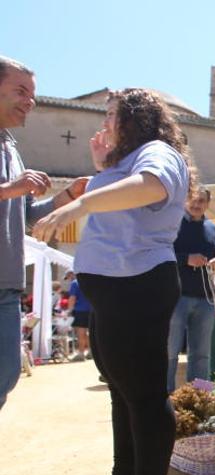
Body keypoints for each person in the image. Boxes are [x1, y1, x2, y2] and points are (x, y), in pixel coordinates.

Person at [33, 88, 195, 475]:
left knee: (143, 394)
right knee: (121, 389)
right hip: (114, 291)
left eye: (110, 115)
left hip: (137, 286)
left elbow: (152, 185)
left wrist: (79, 205)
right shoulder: (126, 161)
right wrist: (103, 167)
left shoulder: (158, 151)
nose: (104, 124)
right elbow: (123, 202)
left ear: (136, 119)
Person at [0, 56, 88, 415]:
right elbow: (9, 195)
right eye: (21, 91)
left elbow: (24, 217)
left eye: (32, 94)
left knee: (6, 375)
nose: (29, 101)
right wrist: (9, 189)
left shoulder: (12, 149)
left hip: (7, 284)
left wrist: (68, 197)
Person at [167, 186, 215, 392]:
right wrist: (186, 259)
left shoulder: (213, 229)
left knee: (202, 354)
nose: (197, 204)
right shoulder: (172, 224)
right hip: (175, 296)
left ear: (208, 204)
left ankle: (200, 399)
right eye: (193, 199)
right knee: (169, 352)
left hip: (205, 299)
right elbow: (161, 253)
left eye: (202, 201)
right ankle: (163, 400)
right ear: (185, 200)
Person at [67, 272, 92, 361]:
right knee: (90, 332)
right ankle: (90, 351)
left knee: (81, 332)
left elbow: (72, 298)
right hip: (92, 310)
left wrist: (69, 311)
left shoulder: (75, 283)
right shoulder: (91, 281)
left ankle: (81, 353)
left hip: (80, 310)